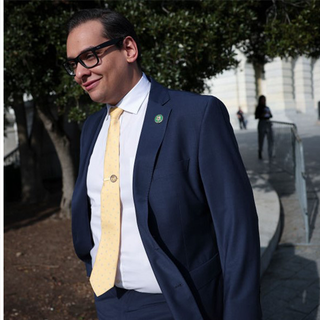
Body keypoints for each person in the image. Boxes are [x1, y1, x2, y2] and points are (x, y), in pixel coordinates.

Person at [64, 8, 261, 319]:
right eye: (73, 64)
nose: (79, 73)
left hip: (177, 304)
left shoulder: (196, 116)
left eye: (90, 56)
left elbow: (237, 228)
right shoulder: (91, 128)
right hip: (107, 301)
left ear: (128, 49)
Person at [255, 95, 274, 160]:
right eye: (262, 100)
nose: (264, 101)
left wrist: (268, 113)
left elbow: (271, 115)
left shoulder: (267, 107)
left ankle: (270, 152)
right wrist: (262, 114)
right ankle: (260, 151)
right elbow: (256, 116)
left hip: (267, 123)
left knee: (270, 139)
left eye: (264, 100)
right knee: (261, 139)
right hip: (262, 123)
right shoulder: (258, 108)